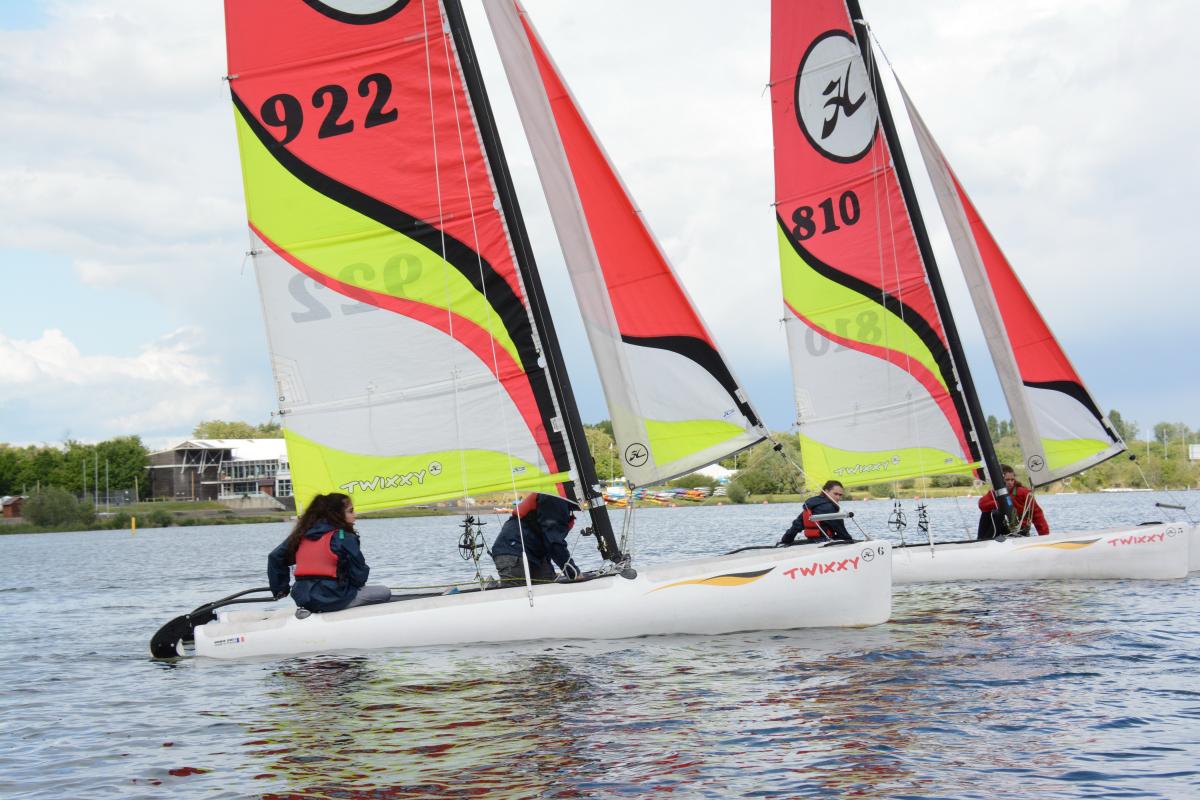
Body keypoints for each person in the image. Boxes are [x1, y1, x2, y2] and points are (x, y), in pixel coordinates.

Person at [267, 492, 392, 613]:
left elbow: (275, 557)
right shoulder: (343, 536)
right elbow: (359, 577)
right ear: (337, 514)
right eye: (350, 511)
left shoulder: (301, 535)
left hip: (303, 599)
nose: (355, 515)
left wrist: (281, 590)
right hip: (334, 598)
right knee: (384, 592)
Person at [490, 492, 583, 586]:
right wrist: (573, 573)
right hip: (513, 551)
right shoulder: (553, 497)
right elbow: (554, 542)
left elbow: (547, 540)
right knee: (517, 593)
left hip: (535, 554)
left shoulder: (560, 502)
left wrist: (552, 571)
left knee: (549, 585)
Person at [977, 465, 1049, 539]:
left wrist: (1044, 536)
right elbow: (982, 504)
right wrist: (1001, 504)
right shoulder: (995, 493)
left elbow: (1037, 515)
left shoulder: (1024, 493)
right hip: (1001, 530)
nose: (1010, 482)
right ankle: (982, 540)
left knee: (998, 514)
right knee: (988, 513)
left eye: (1012, 480)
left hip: (1019, 531)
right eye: (1007, 480)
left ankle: (985, 540)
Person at [781, 480, 853, 544]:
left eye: (840, 495)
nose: (838, 498)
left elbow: (796, 527)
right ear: (826, 491)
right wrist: (850, 540)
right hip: (825, 542)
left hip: (811, 542)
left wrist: (785, 540)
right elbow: (842, 533)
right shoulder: (829, 508)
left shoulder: (810, 506)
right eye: (835, 494)